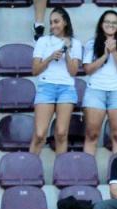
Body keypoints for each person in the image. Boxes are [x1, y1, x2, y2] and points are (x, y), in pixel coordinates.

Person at [30, 6, 81, 155]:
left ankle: (61, 168)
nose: (53, 26)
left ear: (65, 22)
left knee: (61, 133)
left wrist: (67, 51)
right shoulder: (43, 41)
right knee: (40, 134)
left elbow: (73, 72)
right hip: (46, 86)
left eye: (56, 21)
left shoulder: (75, 43)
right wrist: (50, 57)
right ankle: (30, 167)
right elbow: (35, 70)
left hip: (66, 88)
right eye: (51, 22)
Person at [81, 10, 117, 156]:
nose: (111, 25)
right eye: (107, 22)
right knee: (92, 135)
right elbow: (88, 70)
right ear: (101, 24)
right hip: (95, 91)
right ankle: (88, 169)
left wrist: (114, 52)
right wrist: (105, 55)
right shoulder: (92, 43)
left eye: (114, 22)